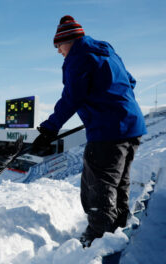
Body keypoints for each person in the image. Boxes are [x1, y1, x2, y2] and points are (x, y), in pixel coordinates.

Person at [32, 15, 147, 247]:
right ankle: (119, 228)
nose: (58, 52)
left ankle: (98, 240)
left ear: (69, 41)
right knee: (119, 183)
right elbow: (130, 81)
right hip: (132, 126)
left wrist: (50, 128)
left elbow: (73, 96)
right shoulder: (107, 50)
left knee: (98, 186)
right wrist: (108, 104)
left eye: (58, 46)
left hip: (108, 133)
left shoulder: (79, 57)